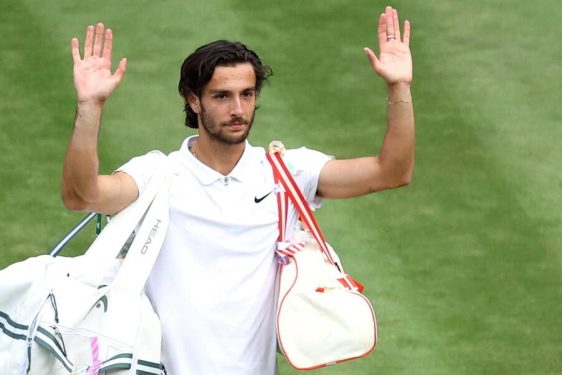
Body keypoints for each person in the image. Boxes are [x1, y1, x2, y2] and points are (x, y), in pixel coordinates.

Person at [61, 5, 414, 374]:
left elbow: (391, 172)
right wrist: (90, 106)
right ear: (193, 100)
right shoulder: (158, 175)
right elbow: (81, 196)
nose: (238, 109)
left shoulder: (287, 172)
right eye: (222, 96)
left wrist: (399, 86)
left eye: (247, 94)